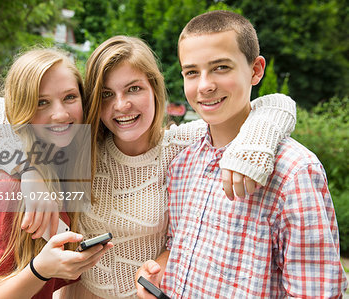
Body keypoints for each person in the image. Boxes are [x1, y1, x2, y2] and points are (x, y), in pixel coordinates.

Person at [0, 36, 296, 298]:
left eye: (134, 89)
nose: (121, 105)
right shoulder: (81, 149)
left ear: (154, 89)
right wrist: (27, 171)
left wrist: (256, 141)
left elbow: (274, 105)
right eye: (106, 94)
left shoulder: (182, 145)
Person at [135, 10, 348, 298]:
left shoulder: (294, 172)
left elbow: (317, 292)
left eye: (221, 67)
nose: (205, 85)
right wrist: (157, 271)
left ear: (256, 70)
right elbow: (177, 245)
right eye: (192, 72)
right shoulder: (182, 164)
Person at [0, 48, 112, 299]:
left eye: (70, 97)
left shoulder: (66, 160)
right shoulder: (9, 188)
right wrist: (41, 270)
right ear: (22, 110)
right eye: (41, 102)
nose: (60, 114)